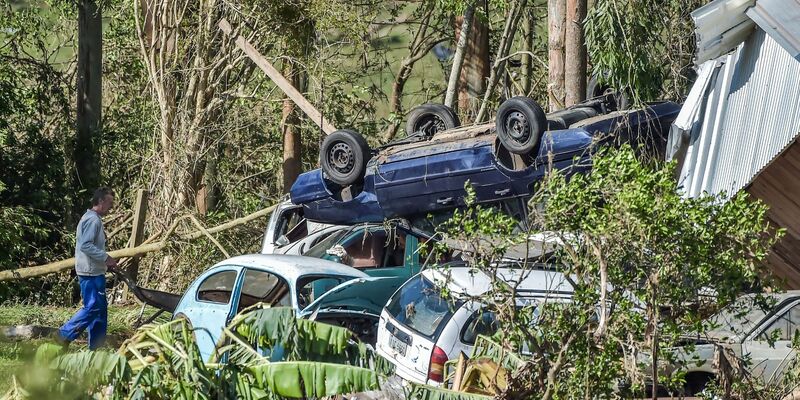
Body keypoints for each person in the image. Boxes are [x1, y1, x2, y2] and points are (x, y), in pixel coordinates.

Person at [56, 187, 118, 349]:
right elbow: (86, 245)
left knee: (100, 311)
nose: (111, 207)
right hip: (90, 274)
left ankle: (96, 348)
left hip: (94, 271)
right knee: (93, 308)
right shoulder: (93, 220)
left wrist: (104, 263)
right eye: (110, 203)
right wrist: (106, 258)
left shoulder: (90, 217)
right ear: (101, 201)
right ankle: (63, 335)